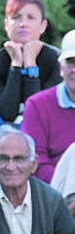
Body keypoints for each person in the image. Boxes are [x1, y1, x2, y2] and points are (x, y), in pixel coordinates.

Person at [0, 0, 60, 185]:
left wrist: (30, 64)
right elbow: (5, 111)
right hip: (4, 121)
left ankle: (32, 193)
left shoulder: (55, 62)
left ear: (43, 25)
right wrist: (15, 65)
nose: (23, 23)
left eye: (30, 17)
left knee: (26, 126)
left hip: (42, 126)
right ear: (6, 24)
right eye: (16, 17)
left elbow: (37, 111)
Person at [21, 29, 75, 186]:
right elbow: (36, 163)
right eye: (71, 61)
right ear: (61, 68)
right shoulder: (38, 105)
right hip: (55, 192)